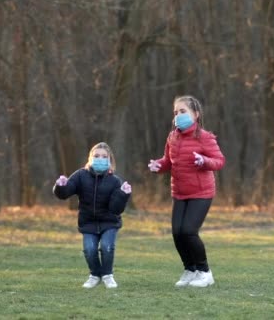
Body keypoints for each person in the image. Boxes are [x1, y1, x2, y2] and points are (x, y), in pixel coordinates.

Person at [148, 95, 225, 288]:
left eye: (183, 111)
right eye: (176, 112)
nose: (178, 115)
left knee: (189, 231)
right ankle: (190, 270)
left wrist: (204, 161)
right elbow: (169, 161)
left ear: (196, 114)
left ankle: (205, 272)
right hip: (179, 192)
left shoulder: (205, 137)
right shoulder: (172, 137)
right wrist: (159, 165)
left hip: (201, 192)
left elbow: (219, 161)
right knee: (177, 233)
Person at [53, 142, 132, 289]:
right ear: (90, 158)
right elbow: (65, 193)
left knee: (107, 247)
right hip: (88, 222)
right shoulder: (80, 175)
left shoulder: (115, 181)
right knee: (89, 250)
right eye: (96, 156)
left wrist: (123, 194)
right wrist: (60, 186)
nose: (100, 159)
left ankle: (108, 275)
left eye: (104, 156)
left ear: (109, 160)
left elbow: (116, 209)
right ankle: (95, 275)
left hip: (109, 222)